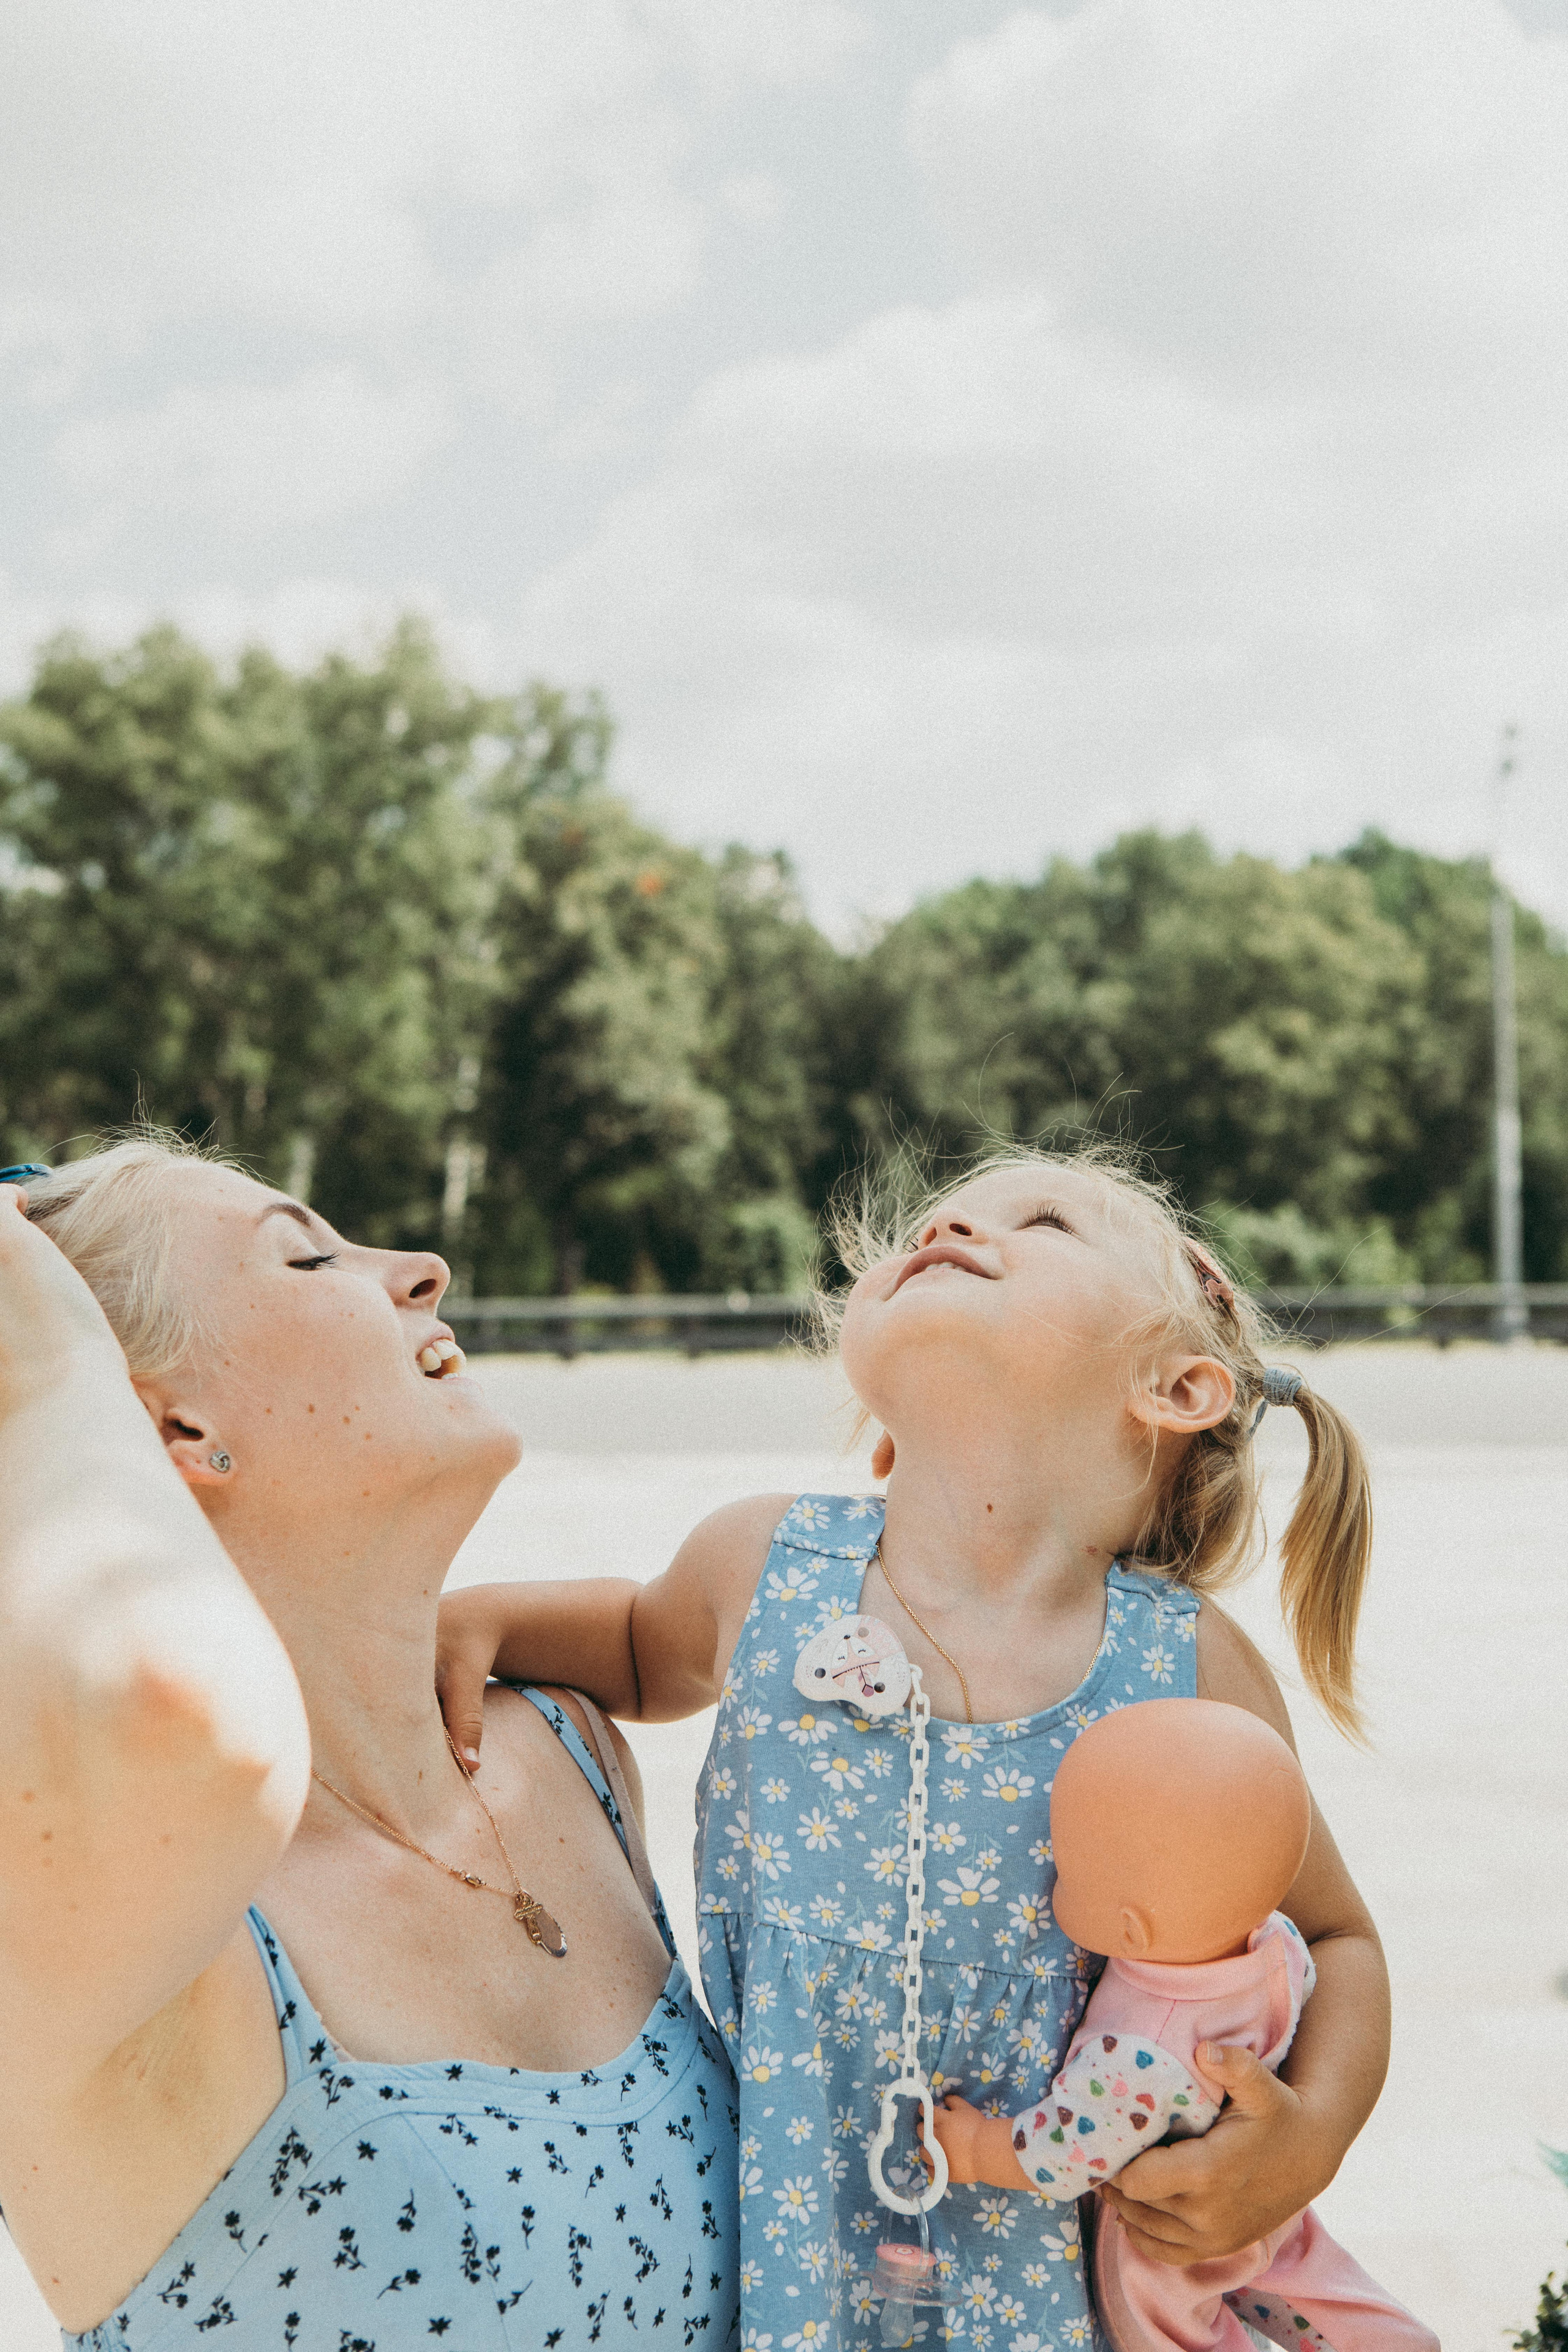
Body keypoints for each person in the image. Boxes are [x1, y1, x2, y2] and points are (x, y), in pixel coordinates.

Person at [437, 1147, 1394, 2352]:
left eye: (1039, 1219)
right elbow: (635, 1646)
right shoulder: (764, 1566)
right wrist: (484, 1619)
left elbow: (1331, 1936)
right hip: (780, 2251)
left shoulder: (1184, 1671)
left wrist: (1310, 2133)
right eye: (936, 1220)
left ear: (1175, 1385)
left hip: (1052, 2291)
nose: (946, 1223)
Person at [0, 1136, 738, 2351]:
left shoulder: (563, 1751)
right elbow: (177, 1719)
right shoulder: (106, 1901)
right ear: (171, 1429)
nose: (422, 1268)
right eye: (306, 1254)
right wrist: (39, 1337)